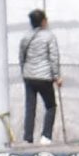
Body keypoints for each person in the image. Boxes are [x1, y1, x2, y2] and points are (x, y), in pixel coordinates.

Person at [20, 8, 61, 143]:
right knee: (50, 106)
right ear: (43, 21)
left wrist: (24, 71)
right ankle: (46, 135)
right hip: (44, 76)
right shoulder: (49, 36)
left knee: (30, 107)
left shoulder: (26, 37)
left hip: (29, 75)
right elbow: (53, 57)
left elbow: (22, 56)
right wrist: (56, 76)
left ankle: (28, 137)